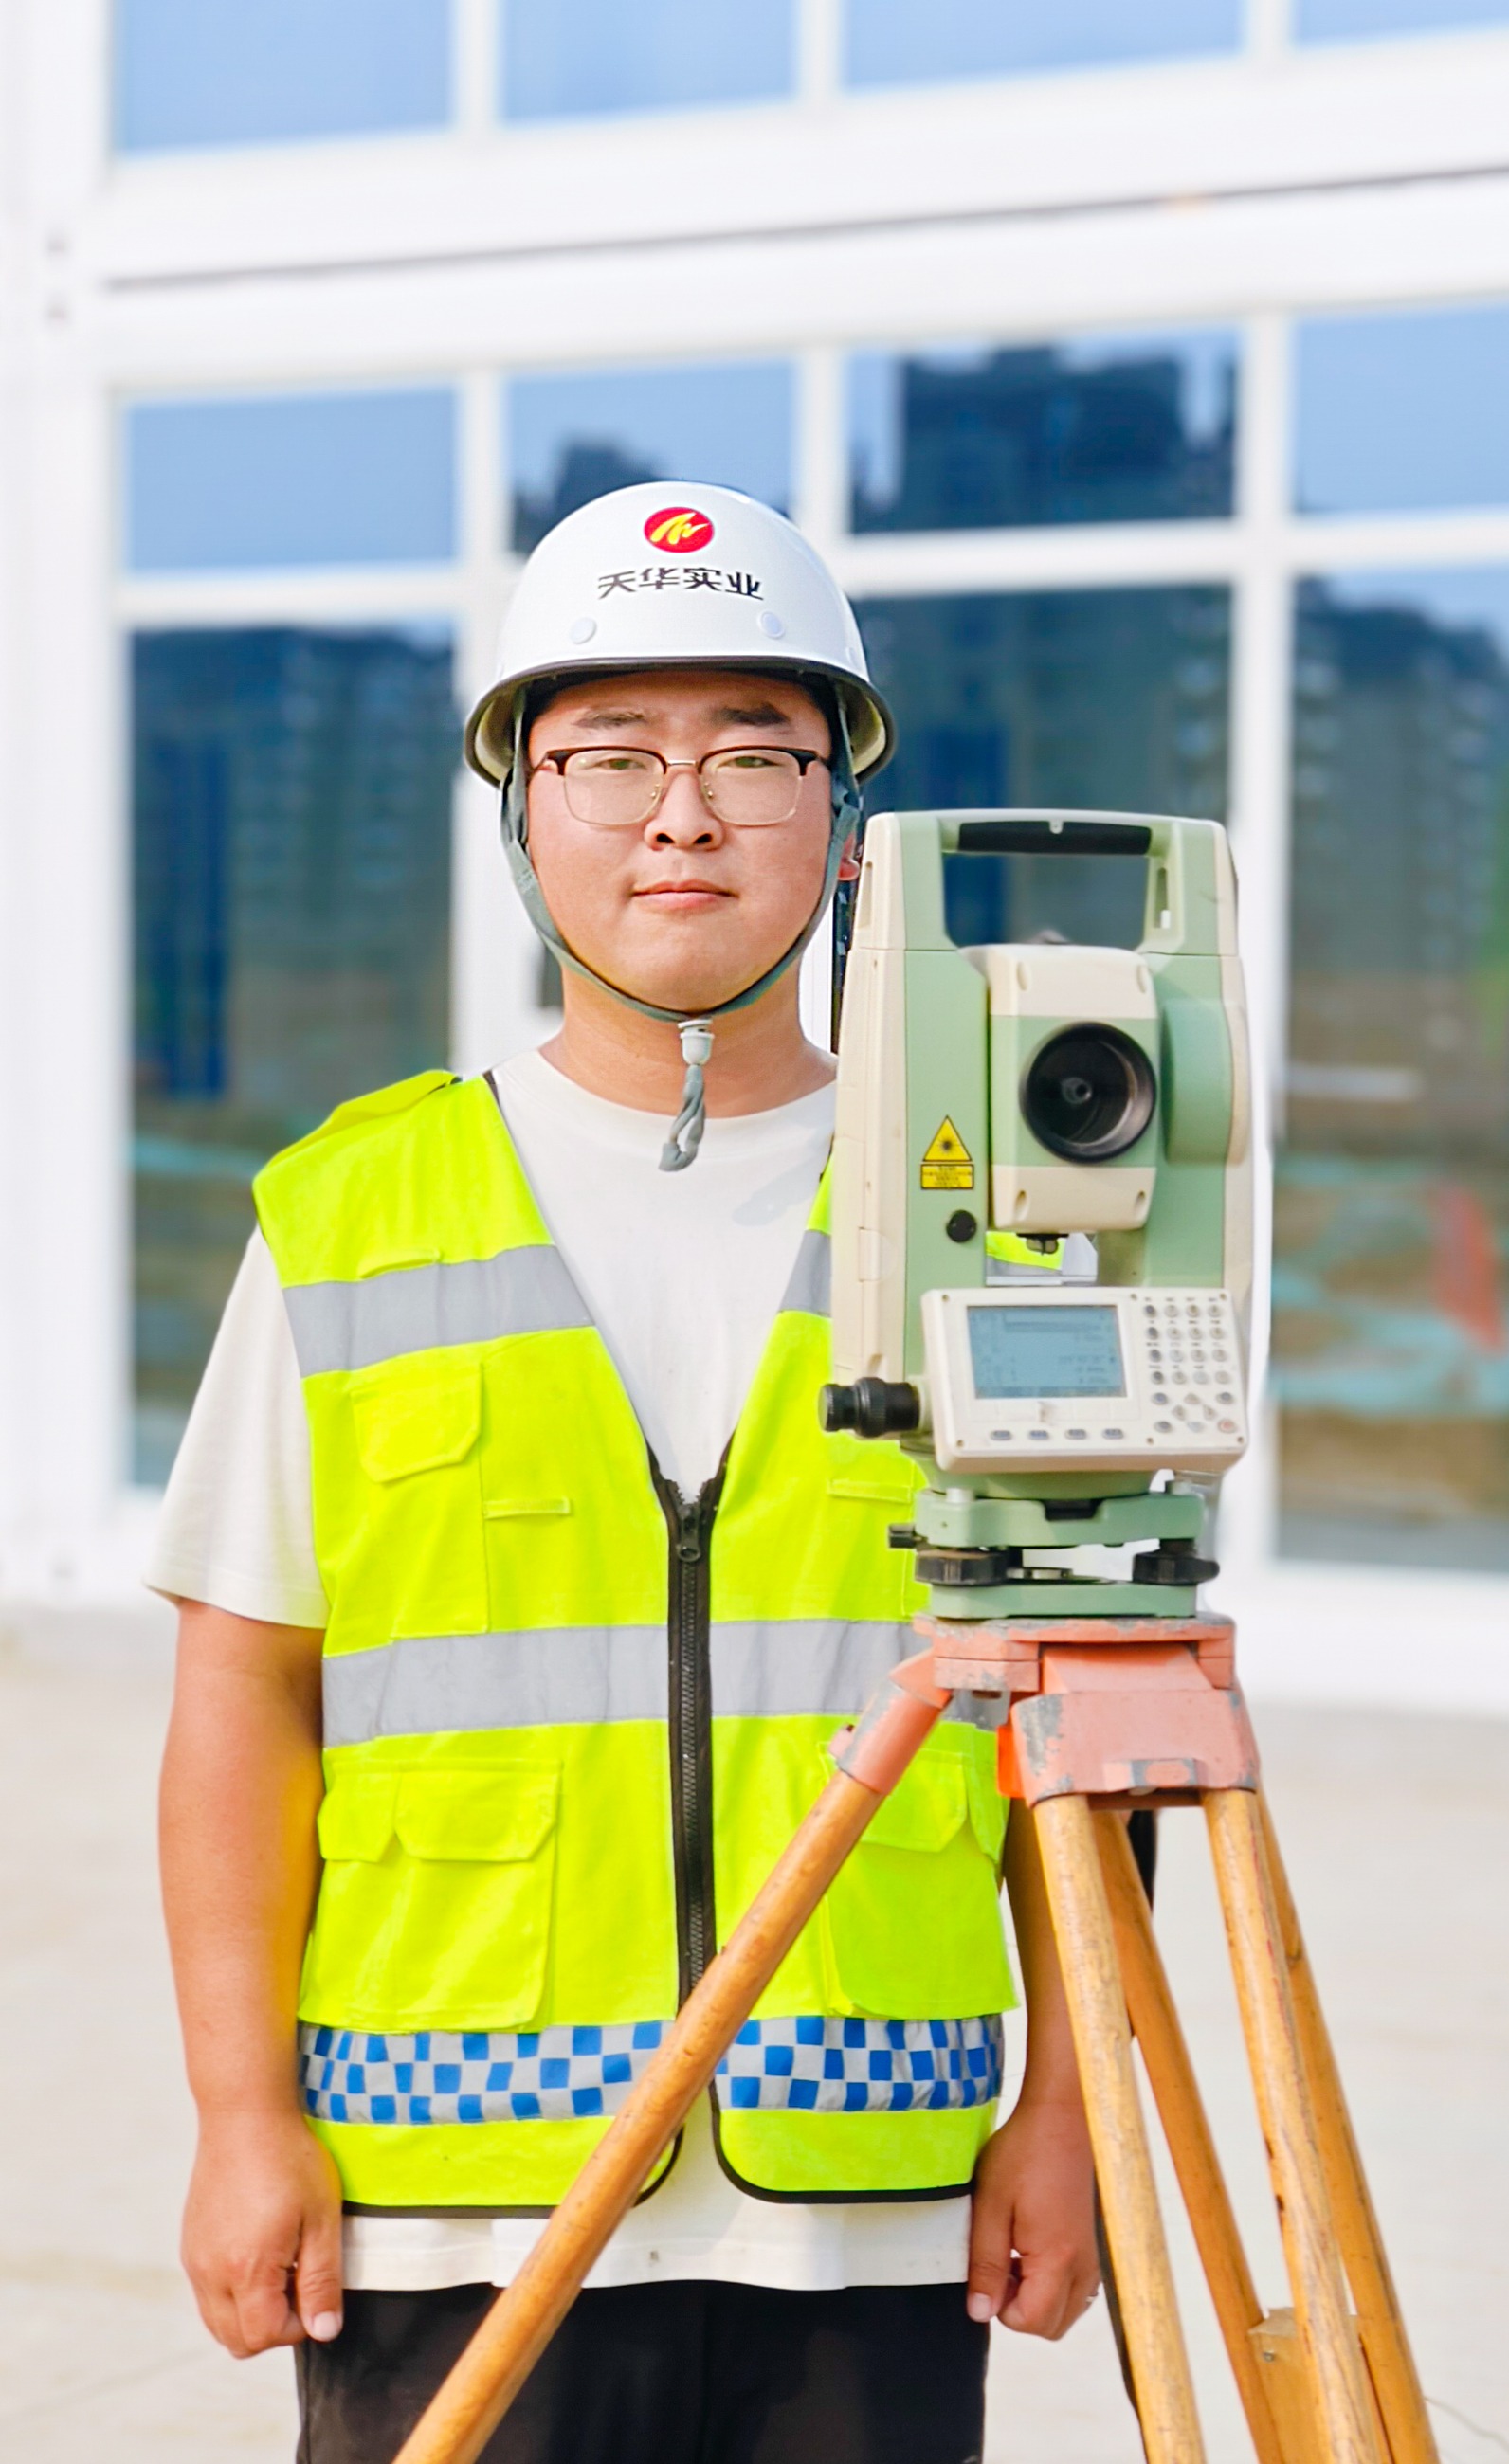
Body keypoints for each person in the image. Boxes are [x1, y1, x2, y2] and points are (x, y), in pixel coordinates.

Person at [154, 481, 1100, 2464]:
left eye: (754, 756)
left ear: (845, 820)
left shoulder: (995, 1226)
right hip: (445, 2192)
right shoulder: (350, 1216)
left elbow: (1085, 1712)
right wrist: (242, 2117)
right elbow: (245, 1694)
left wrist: (1073, 2112)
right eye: (610, 756)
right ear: (523, 811)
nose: (683, 816)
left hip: (870, 2196)